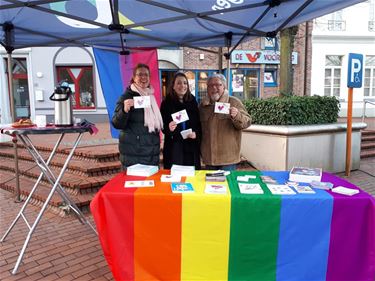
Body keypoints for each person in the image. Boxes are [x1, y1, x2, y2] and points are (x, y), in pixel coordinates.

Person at [111, 63, 163, 168]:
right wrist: (124, 110)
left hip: (151, 154)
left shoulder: (151, 96)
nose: (143, 77)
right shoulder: (126, 96)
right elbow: (116, 123)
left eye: (146, 75)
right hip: (134, 155)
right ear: (134, 78)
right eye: (140, 75)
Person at [199, 73, 251, 171]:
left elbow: (247, 122)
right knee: (210, 186)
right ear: (207, 88)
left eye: (218, 85)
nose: (214, 88)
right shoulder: (203, 106)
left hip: (228, 160)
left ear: (224, 86)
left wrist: (237, 115)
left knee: (227, 185)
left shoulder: (234, 102)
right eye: (210, 85)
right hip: (209, 159)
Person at [160, 72, 201, 169]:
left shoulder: (193, 101)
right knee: (175, 177)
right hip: (174, 147)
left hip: (191, 146)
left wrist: (196, 133)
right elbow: (162, 126)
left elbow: (198, 124)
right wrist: (169, 127)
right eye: (178, 83)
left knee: (192, 178)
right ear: (173, 86)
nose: (182, 86)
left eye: (185, 83)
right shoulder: (166, 103)